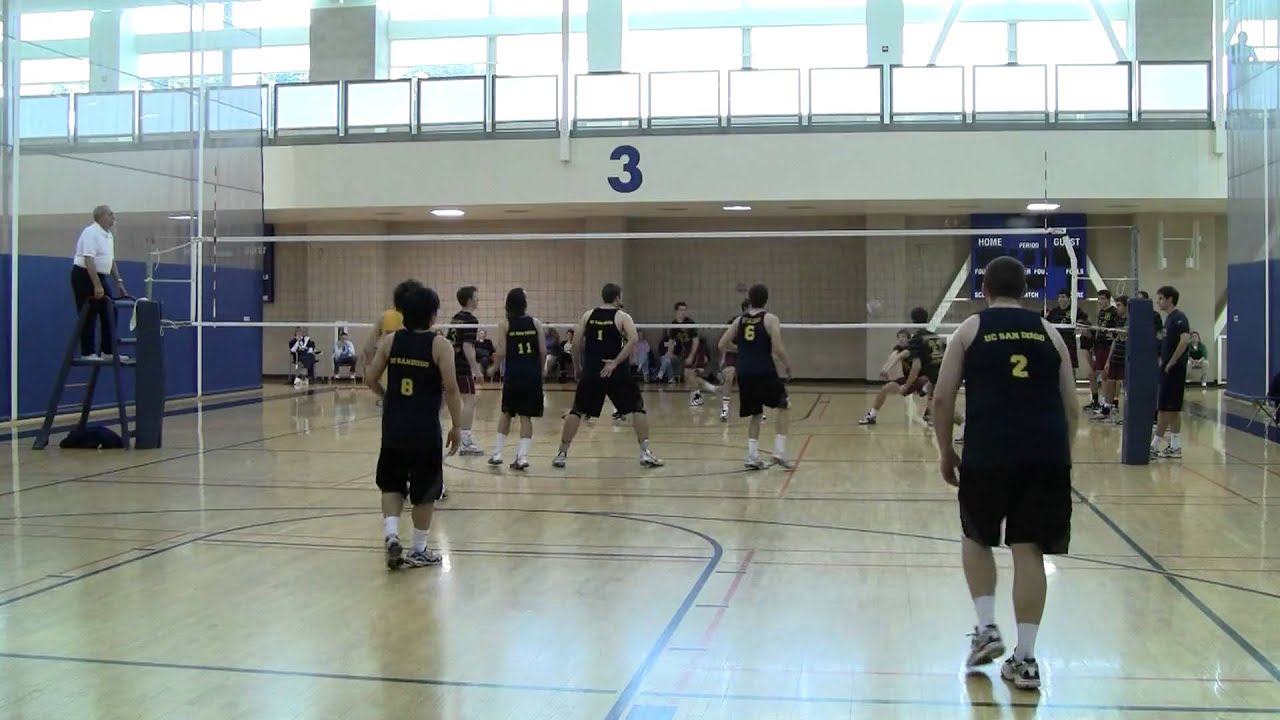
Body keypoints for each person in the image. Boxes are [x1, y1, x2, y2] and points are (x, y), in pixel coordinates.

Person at [933, 256, 1078, 691]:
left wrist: (945, 452)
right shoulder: (1051, 334)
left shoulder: (969, 330)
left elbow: (941, 399)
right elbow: (1072, 406)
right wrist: (1062, 456)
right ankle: (1027, 660)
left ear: (984, 289)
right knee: (1029, 548)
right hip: (1045, 454)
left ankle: (985, 629)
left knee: (976, 536)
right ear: (1026, 291)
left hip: (989, 450)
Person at [365, 280, 463, 569]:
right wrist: (457, 427)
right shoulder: (440, 345)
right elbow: (453, 388)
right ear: (433, 315)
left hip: (394, 426)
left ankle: (392, 535)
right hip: (424, 429)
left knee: (392, 485)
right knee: (425, 491)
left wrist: (388, 398)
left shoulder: (391, 341)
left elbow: (370, 378)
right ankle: (419, 549)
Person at [553, 283, 663, 469]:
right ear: (617, 298)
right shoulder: (622, 316)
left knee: (577, 411)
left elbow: (576, 344)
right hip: (617, 372)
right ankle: (645, 453)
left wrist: (579, 368)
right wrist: (615, 362)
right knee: (638, 409)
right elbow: (634, 340)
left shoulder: (588, 315)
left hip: (592, 371)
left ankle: (561, 455)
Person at [719, 284, 793, 469]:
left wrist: (740, 349)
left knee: (756, 414)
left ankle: (752, 457)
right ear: (766, 299)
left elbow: (722, 344)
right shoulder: (770, 319)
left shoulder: (739, 320)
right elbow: (777, 347)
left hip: (744, 371)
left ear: (750, 300)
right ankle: (779, 451)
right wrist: (788, 364)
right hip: (764, 369)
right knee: (784, 405)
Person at [489, 288, 547, 470]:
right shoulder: (535, 323)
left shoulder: (505, 325)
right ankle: (522, 457)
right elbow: (543, 351)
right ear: (524, 303)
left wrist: (493, 368)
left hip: (514, 376)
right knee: (526, 417)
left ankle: (497, 454)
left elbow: (501, 352)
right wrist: (541, 370)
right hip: (532, 376)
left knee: (506, 414)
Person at [70, 205, 128, 360]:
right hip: (84, 275)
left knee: (110, 309)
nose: (113, 216)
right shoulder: (91, 233)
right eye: (110, 214)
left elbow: (110, 260)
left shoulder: (108, 235)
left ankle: (108, 350)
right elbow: (88, 259)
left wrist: (119, 282)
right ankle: (87, 352)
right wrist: (96, 285)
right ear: (101, 216)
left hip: (100, 275)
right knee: (89, 311)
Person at [1153, 286, 1191, 459]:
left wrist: (1172, 362)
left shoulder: (1179, 317)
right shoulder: (1168, 319)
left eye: (1160, 298)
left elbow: (1185, 340)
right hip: (1168, 369)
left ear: (1169, 299)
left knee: (1164, 409)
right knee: (1174, 409)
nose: (1158, 302)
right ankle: (1175, 446)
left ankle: (1154, 445)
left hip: (1174, 370)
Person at [446, 286, 484, 456]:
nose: (478, 300)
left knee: (442, 403)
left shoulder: (455, 318)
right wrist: (476, 370)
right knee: (470, 401)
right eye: (476, 298)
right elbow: (467, 346)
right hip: (461, 366)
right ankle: (466, 441)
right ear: (469, 300)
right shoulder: (470, 319)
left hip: (449, 364)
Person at [859, 329, 925, 425]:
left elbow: (899, 358)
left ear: (908, 339)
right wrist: (885, 368)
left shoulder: (911, 349)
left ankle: (930, 415)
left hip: (920, 378)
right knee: (884, 389)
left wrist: (887, 368)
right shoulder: (898, 349)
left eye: (903, 337)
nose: (901, 339)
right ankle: (872, 415)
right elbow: (893, 356)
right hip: (907, 379)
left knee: (932, 391)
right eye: (899, 337)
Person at [903, 307, 946, 425]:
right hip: (944, 373)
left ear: (912, 320)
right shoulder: (935, 336)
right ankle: (929, 413)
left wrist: (906, 386)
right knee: (935, 400)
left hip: (938, 378)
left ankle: (963, 424)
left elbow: (916, 367)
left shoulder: (916, 340)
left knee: (944, 410)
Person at [1093, 295, 1129, 422]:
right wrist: (1109, 359)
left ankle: (1124, 414)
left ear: (1126, 306)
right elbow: (1115, 340)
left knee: (1125, 386)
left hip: (1126, 358)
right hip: (1115, 356)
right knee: (1110, 382)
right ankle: (1106, 409)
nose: (1117, 308)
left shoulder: (1132, 321)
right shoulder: (1119, 321)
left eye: (1119, 305)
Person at [1084, 291, 1119, 411]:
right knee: (1101, 375)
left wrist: (1113, 336)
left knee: (1107, 375)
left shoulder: (1114, 312)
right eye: (1099, 299)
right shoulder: (1101, 312)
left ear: (1108, 299)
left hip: (1109, 347)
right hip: (1100, 346)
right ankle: (1102, 402)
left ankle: (1109, 403)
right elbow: (1099, 330)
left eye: (1103, 299)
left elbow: (1117, 330)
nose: (1100, 301)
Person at [716, 300, 750, 422]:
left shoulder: (760, 322)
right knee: (730, 375)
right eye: (750, 308)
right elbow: (724, 343)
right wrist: (738, 349)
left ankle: (755, 407)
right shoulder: (735, 322)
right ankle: (725, 408)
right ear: (745, 309)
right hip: (733, 354)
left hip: (748, 356)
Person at [1044, 289, 1086, 376]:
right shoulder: (1054, 311)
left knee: (1070, 367)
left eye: (1063, 297)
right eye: (1059, 297)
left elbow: (1085, 320)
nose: (1061, 299)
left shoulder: (1075, 310)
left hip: (1070, 343)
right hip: (1057, 343)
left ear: (1069, 298)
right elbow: (1046, 323)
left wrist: (1080, 325)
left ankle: (1072, 386)